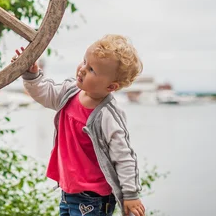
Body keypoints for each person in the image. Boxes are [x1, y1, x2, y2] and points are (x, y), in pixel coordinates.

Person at [13, 34, 145, 216]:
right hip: (69, 190)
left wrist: (130, 194)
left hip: (93, 196)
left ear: (110, 87)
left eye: (91, 70)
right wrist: (31, 75)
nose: (82, 70)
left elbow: (124, 157)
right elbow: (45, 93)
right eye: (84, 62)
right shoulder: (69, 92)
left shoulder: (108, 115)